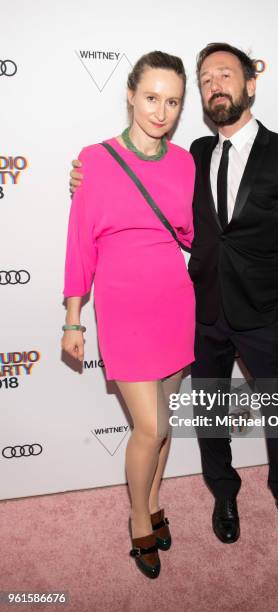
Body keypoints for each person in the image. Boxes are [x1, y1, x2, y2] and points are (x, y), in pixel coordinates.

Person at [70, 42, 278, 549]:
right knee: (208, 413)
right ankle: (223, 494)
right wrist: (86, 178)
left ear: (251, 83)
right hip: (201, 311)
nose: (215, 86)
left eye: (225, 75)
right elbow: (173, 218)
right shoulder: (196, 155)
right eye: (206, 80)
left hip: (263, 312)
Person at [62, 51, 196, 579]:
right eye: (151, 98)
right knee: (153, 423)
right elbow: (80, 245)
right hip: (123, 306)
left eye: (173, 101)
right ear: (130, 94)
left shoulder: (186, 162)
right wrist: (73, 318)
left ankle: (156, 499)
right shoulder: (93, 161)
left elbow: (192, 234)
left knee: (163, 427)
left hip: (174, 302)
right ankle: (139, 518)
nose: (160, 111)